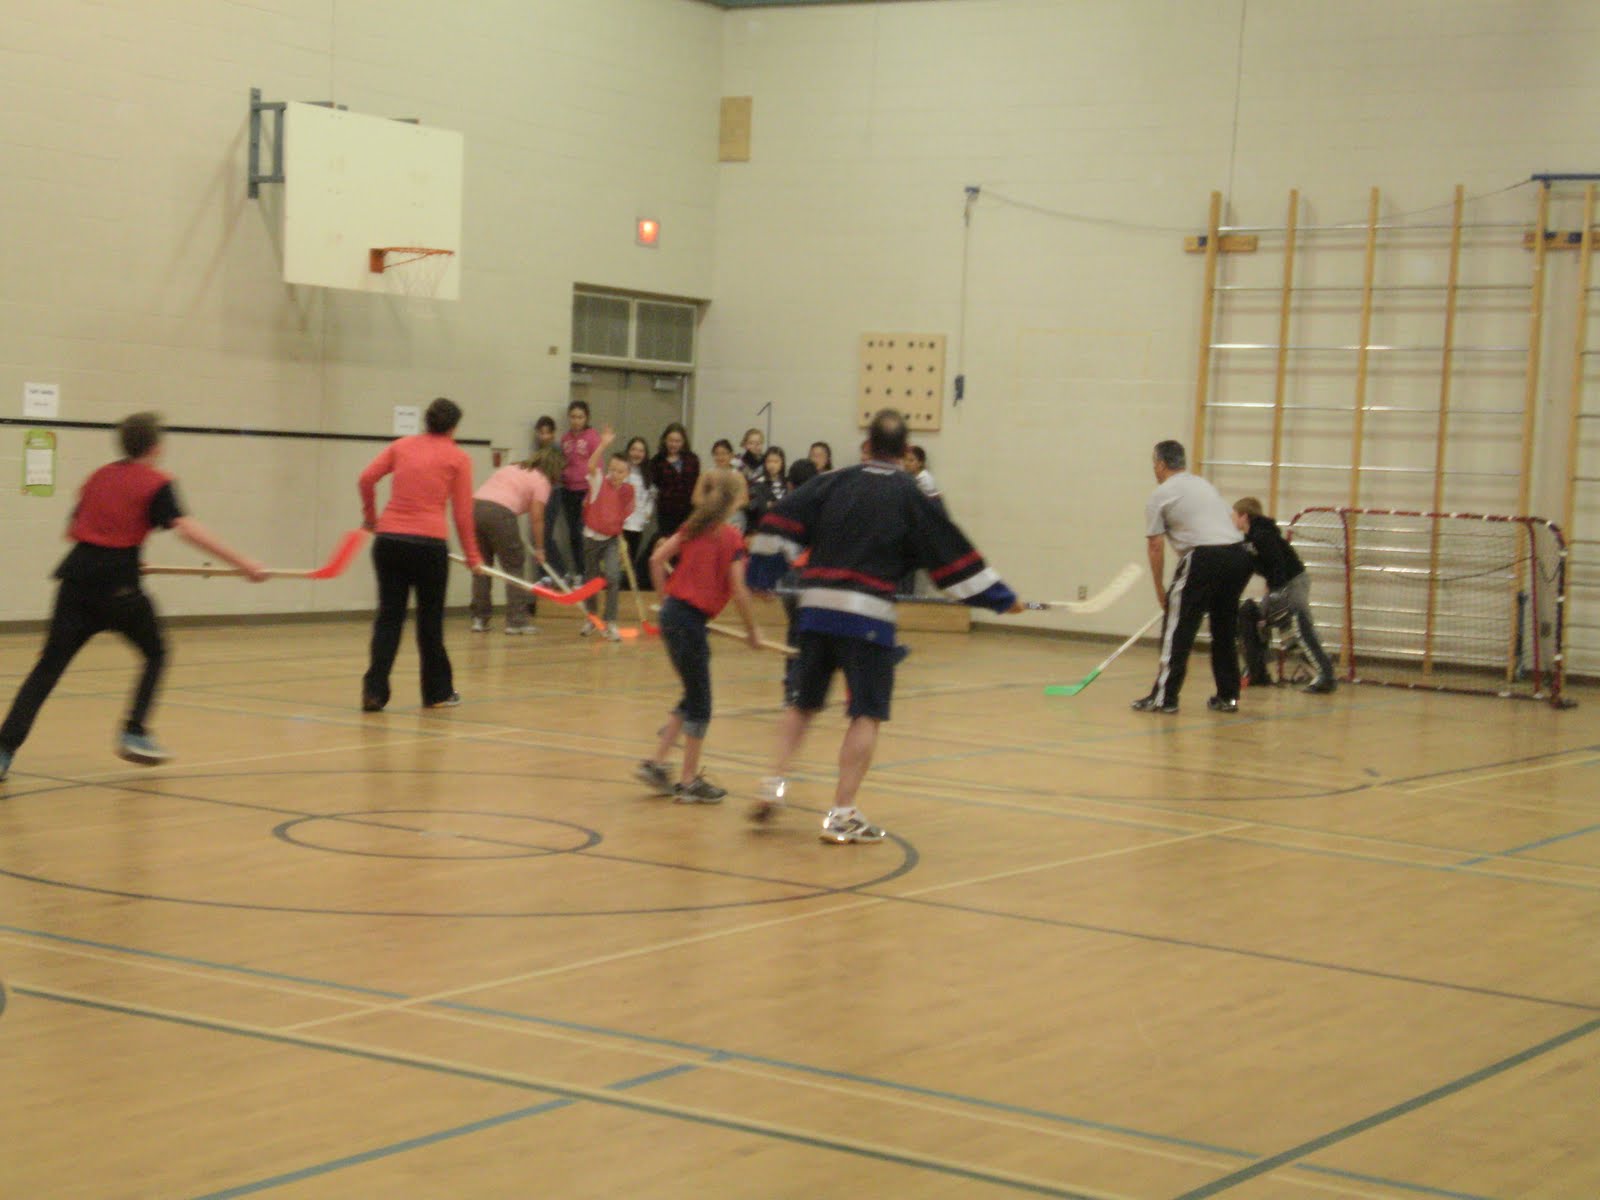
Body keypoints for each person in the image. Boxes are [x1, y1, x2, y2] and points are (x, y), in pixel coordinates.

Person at [748, 409, 1020, 843]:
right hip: (867, 617)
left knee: (803, 703)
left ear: (867, 446)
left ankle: (773, 784)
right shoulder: (912, 496)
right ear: (907, 451)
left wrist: (761, 574)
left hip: (814, 609)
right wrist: (1001, 599)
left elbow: (781, 516)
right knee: (866, 712)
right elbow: (949, 554)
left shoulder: (831, 481)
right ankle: (841, 814)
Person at [0, 413, 267, 779]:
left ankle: (3, 749)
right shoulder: (157, 482)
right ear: (156, 447)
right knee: (156, 652)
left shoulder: (97, 477)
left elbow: (82, 531)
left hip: (75, 583)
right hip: (118, 591)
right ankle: (134, 731)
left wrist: (126, 555)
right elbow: (187, 529)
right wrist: (243, 563)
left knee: (47, 669)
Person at [636, 469, 760, 803]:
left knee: (692, 693)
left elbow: (656, 558)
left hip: (675, 617)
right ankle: (688, 781)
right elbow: (738, 589)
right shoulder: (732, 537)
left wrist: (665, 602)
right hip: (689, 622)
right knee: (701, 703)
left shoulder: (693, 528)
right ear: (737, 499)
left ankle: (656, 764)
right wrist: (753, 631)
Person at [359, 397, 483, 711]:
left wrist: (371, 518)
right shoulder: (458, 457)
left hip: (388, 541)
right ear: (453, 427)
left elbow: (366, 479)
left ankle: (374, 692)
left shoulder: (401, 446)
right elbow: (463, 514)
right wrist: (473, 555)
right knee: (429, 623)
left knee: (389, 618)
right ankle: (438, 693)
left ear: (426, 422)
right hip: (429, 547)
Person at [1133, 440, 1254, 715]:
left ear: (1161, 465)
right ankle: (1228, 696)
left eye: (1154, 463)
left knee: (1178, 629)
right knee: (1223, 628)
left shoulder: (1160, 495)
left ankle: (1164, 697)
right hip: (1238, 556)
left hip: (1205, 557)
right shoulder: (1202, 484)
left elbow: (1155, 545)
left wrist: (1159, 590)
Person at [1232, 497, 1337, 693]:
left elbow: (1278, 564)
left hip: (1293, 582)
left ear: (1243, 516)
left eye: (1234, 514)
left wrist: (1277, 594)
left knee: (1299, 627)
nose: (1231, 518)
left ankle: (1326, 674)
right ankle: (1257, 671)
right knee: (1252, 617)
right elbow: (1252, 568)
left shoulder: (1263, 535)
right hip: (1280, 585)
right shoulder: (1250, 540)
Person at [470, 453, 550, 635]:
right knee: (514, 567)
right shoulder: (542, 480)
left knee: (482, 567)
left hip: (475, 508)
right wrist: (539, 548)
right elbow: (537, 518)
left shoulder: (511, 468)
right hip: (500, 513)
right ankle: (516, 621)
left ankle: (479, 619)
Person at [579, 428, 635, 642]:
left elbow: (621, 516)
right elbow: (591, 466)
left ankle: (610, 621)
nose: (615, 474)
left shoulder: (628, 491)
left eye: (620, 471)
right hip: (591, 538)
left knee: (613, 576)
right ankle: (592, 618)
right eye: (611, 469)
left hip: (611, 540)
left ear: (627, 473)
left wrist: (620, 540)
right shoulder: (599, 482)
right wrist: (602, 445)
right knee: (591, 580)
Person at [558, 401, 601, 584]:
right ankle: (578, 572)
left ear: (586, 418)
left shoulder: (592, 437)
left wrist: (591, 494)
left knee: (584, 533)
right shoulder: (565, 438)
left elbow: (597, 467)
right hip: (568, 490)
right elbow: (563, 463)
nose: (576, 421)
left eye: (580, 417)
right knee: (573, 534)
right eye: (573, 416)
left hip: (585, 491)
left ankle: (588, 572)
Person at [650, 422, 700, 542]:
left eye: (678, 441)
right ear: (665, 440)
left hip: (689, 511)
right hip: (666, 512)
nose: (674, 444)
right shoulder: (657, 461)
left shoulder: (692, 459)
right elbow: (654, 486)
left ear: (683, 442)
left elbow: (697, 483)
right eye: (671, 440)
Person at [531, 415, 566, 578]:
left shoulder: (556, 449)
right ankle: (545, 573)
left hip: (553, 493)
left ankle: (560, 571)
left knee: (546, 534)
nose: (544, 436)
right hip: (540, 494)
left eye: (547, 433)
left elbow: (557, 473)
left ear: (553, 434)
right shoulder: (538, 450)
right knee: (540, 535)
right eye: (541, 432)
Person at [621, 436, 656, 590]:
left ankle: (627, 588)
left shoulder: (647, 474)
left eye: (641, 450)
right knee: (619, 560)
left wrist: (647, 513)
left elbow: (651, 497)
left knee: (631, 557)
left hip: (637, 525)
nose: (637, 453)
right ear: (628, 451)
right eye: (634, 449)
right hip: (620, 524)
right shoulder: (621, 471)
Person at [745, 446, 788, 531]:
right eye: (769, 461)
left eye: (776, 461)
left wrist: (771, 504)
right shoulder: (758, 483)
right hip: (764, 527)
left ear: (782, 463)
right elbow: (756, 507)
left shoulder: (788, 483)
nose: (772, 465)